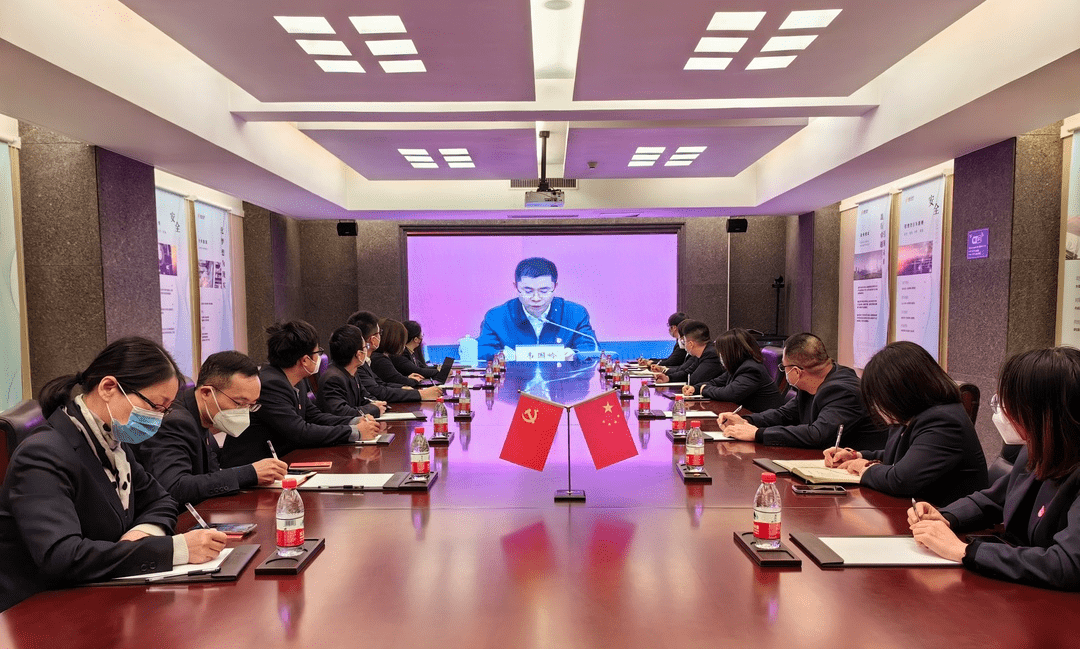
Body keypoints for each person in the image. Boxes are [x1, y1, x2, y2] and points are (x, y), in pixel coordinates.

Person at [0, 337, 227, 612]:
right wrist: (175, 549)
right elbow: (62, 557)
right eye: (154, 406)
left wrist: (141, 535)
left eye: (165, 410)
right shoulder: (42, 454)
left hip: (101, 597)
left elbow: (162, 500)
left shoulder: (112, 440)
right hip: (41, 611)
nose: (158, 418)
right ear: (108, 388)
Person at [909, 347, 1080, 589]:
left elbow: (1068, 564)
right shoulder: (1037, 448)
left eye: (1012, 404)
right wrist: (945, 516)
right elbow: (994, 499)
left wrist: (965, 551)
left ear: (1044, 414)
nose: (1005, 412)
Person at [823, 342, 987, 505]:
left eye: (880, 398)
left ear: (902, 391)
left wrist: (864, 468)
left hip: (943, 515)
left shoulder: (944, 422)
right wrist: (856, 456)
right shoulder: (913, 414)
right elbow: (900, 456)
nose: (877, 406)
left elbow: (901, 480)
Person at [133, 351, 289, 506]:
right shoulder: (175, 422)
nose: (244, 412)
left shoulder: (203, 416)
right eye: (239, 403)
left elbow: (210, 475)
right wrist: (249, 473)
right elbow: (175, 487)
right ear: (207, 392)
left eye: (251, 405)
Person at [220, 321, 380, 467]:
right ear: (304, 360)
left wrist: (355, 421)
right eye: (318, 352)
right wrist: (354, 432)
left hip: (283, 461)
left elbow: (315, 416)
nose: (319, 357)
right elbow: (300, 432)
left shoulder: (297, 379)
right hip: (252, 468)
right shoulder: (270, 384)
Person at [719, 332, 886, 450]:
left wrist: (758, 434)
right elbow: (785, 414)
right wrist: (746, 420)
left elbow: (817, 434)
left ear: (796, 371)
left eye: (783, 367)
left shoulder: (843, 391)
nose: (783, 371)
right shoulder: (812, 383)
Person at [477, 257, 596, 361]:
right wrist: (506, 356)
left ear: (555, 286)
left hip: (563, 379)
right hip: (514, 379)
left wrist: (575, 355)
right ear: (516, 286)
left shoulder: (575, 314)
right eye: (528, 291)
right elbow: (482, 351)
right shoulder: (497, 317)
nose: (536, 298)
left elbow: (591, 350)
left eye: (543, 291)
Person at [683, 328, 785, 412]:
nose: (720, 356)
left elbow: (729, 394)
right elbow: (716, 382)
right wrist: (695, 388)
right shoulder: (738, 366)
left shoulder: (751, 369)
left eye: (721, 352)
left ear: (731, 352)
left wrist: (704, 389)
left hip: (763, 422)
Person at [347, 311, 442, 403]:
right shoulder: (361, 363)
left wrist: (402, 388)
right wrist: (420, 394)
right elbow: (378, 391)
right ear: (373, 340)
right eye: (379, 333)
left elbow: (380, 384)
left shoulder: (366, 362)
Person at [317, 325, 386, 418]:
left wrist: (376, 403)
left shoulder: (353, 372)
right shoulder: (333, 379)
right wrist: (373, 409)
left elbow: (365, 397)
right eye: (365, 347)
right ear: (359, 354)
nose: (366, 350)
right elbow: (341, 412)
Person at [652, 320, 724, 385]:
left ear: (691, 344)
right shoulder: (702, 353)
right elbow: (687, 373)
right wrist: (668, 378)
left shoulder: (711, 354)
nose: (683, 344)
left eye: (684, 341)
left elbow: (694, 380)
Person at [371, 319, 426, 387]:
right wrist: (415, 381)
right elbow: (397, 379)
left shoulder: (379, 356)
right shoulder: (380, 359)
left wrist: (407, 378)